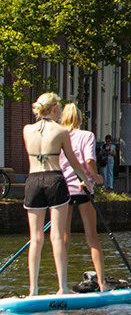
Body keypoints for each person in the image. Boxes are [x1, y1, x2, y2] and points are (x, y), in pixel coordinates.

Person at [23, 92, 91, 297]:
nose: (60, 110)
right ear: (53, 108)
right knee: (57, 237)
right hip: (54, 180)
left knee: (35, 238)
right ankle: (63, 288)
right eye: (59, 107)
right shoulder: (61, 131)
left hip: (33, 180)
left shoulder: (27, 130)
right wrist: (85, 180)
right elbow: (73, 161)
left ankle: (33, 290)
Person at [59, 103, 106, 292]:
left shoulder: (58, 136)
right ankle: (101, 283)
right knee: (92, 236)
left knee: (62, 238)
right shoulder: (87, 136)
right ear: (79, 118)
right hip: (83, 189)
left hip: (62, 190)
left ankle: (61, 286)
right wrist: (96, 178)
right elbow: (89, 160)